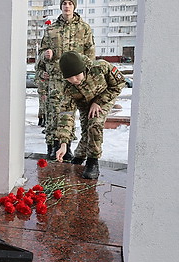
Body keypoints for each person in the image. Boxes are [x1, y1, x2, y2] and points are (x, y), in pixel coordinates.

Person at [37, 0, 95, 161]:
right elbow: (41, 54)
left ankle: (66, 145)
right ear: (61, 6)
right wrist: (46, 55)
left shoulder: (84, 29)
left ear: (74, 6)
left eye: (70, 3)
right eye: (64, 3)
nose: (67, 6)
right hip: (55, 78)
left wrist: (86, 77)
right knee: (53, 113)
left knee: (69, 112)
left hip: (74, 79)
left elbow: (90, 54)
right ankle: (52, 145)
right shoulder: (51, 29)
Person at [55, 51, 126, 179]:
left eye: (77, 75)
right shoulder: (67, 88)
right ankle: (79, 155)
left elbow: (119, 84)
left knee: (95, 124)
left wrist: (98, 102)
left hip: (104, 99)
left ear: (84, 69)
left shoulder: (100, 67)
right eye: (70, 78)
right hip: (85, 105)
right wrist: (64, 143)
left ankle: (93, 162)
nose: (74, 80)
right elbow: (66, 114)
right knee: (86, 131)